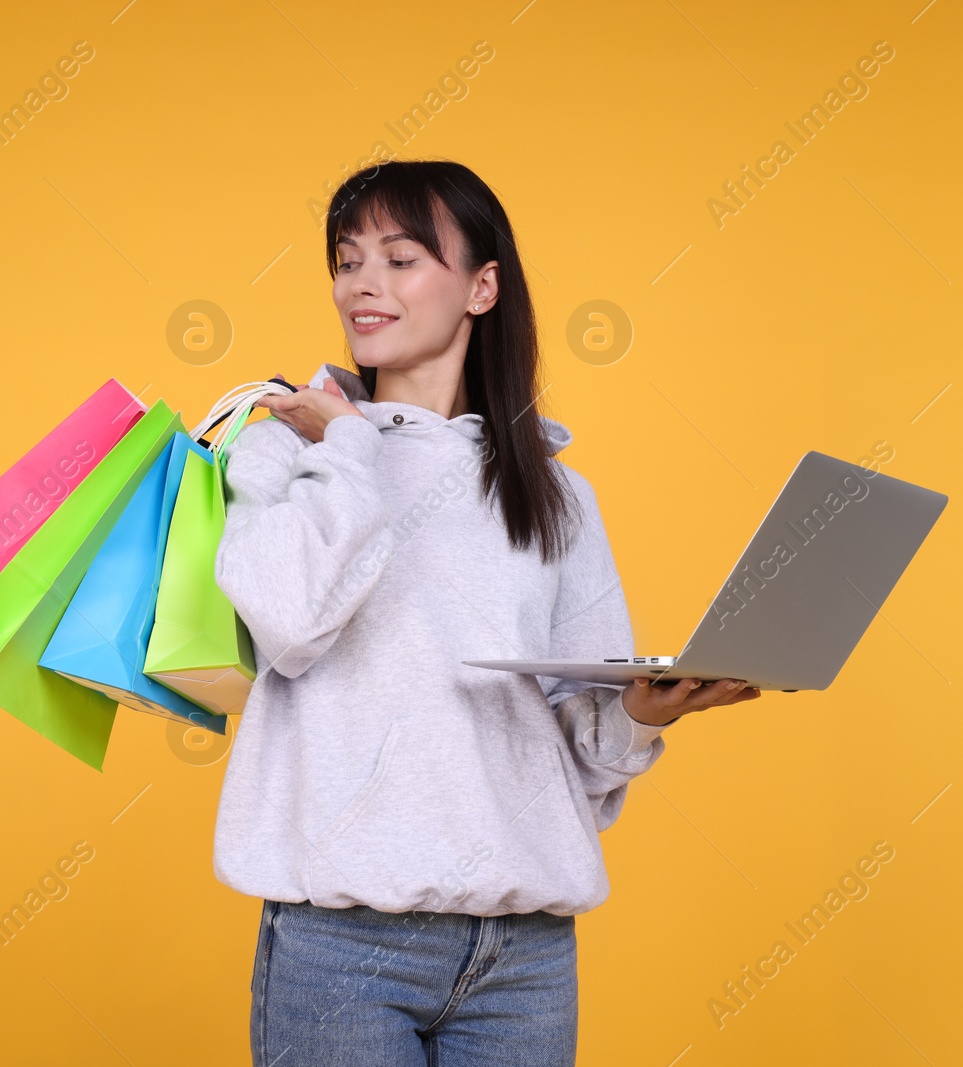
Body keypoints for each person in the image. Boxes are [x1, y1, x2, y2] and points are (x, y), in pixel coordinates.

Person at [211, 159, 760, 1067]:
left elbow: (577, 749)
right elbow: (293, 625)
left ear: (482, 286)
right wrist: (346, 440)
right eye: (348, 261)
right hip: (345, 948)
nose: (364, 285)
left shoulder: (555, 493)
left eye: (399, 258)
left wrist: (638, 713)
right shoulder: (281, 449)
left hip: (524, 957)